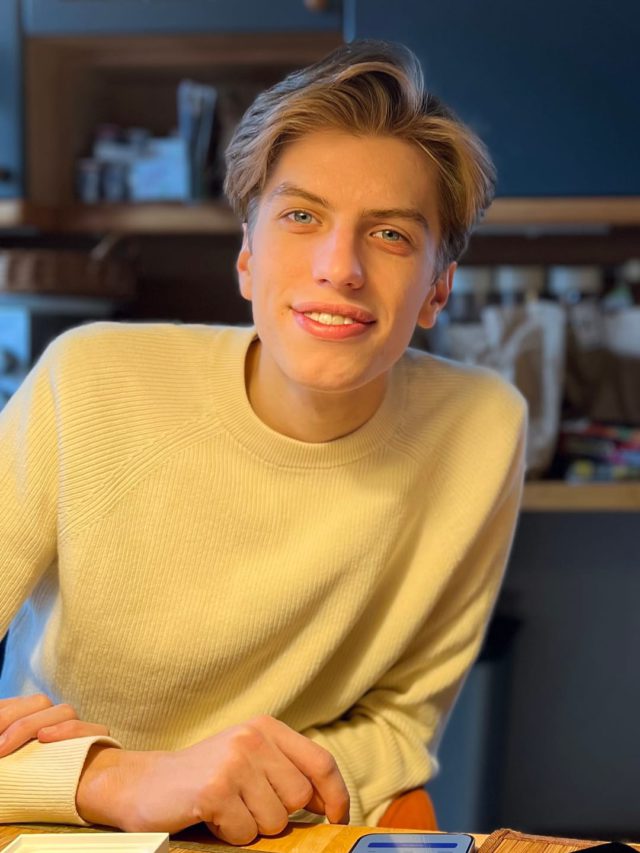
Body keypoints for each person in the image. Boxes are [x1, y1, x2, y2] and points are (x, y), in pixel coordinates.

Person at [0, 40, 526, 844]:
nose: (340, 267)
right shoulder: (88, 381)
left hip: (278, 831)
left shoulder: (482, 427)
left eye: (390, 234)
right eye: (301, 216)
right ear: (247, 256)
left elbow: (398, 724)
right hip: (60, 828)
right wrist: (110, 779)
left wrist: (234, 788)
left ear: (437, 289)